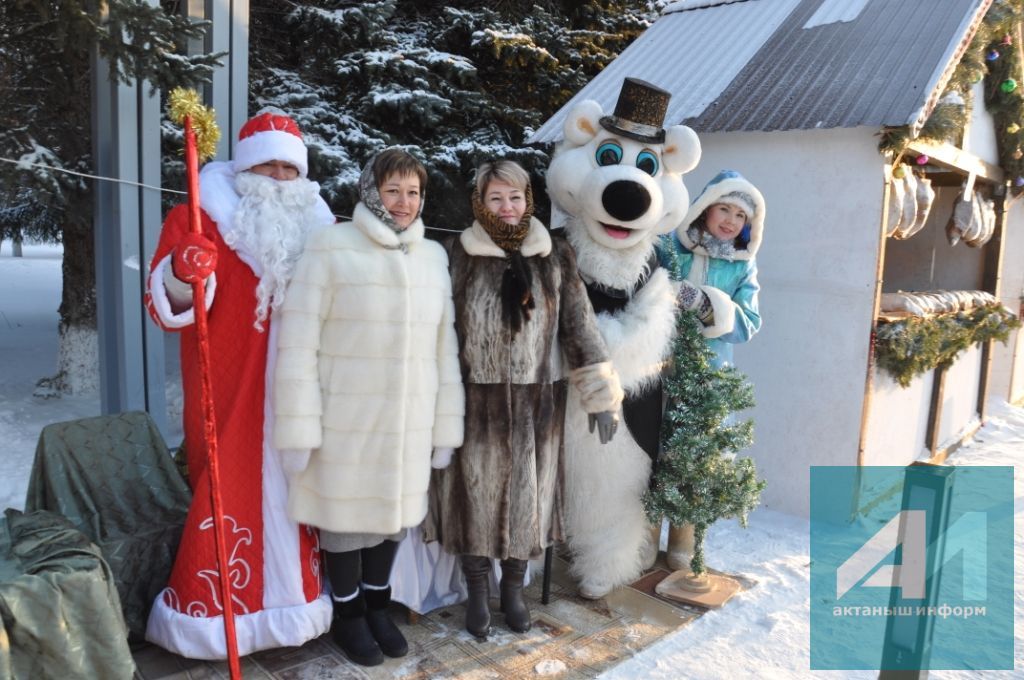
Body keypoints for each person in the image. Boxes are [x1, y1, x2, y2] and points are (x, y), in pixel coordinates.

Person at [144, 110, 337, 659]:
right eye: (268, 165)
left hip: (303, 388)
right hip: (234, 391)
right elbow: (167, 306)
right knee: (230, 489)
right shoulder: (199, 216)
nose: (279, 177)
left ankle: (296, 606)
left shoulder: (320, 225)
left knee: (297, 492)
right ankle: (216, 616)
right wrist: (183, 274)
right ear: (245, 168)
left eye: (288, 168)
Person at [272, 148, 464, 667]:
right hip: (346, 419)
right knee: (345, 525)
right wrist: (299, 425)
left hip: (409, 420)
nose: (404, 202)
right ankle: (349, 617)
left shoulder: (432, 257)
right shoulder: (332, 247)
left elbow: (444, 347)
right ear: (370, 190)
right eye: (393, 190)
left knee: (390, 521)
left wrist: (445, 426)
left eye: (414, 192)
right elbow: (299, 341)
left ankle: (379, 608)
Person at [424, 160, 623, 639]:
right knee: (472, 502)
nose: (507, 207)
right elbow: (434, 331)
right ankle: (477, 595)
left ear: (528, 200)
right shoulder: (455, 255)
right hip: (474, 408)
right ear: (480, 203)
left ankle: (512, 592)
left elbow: (579, 327)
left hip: (537, 409)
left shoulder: (554, 256)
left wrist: (602, 396)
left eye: (514, 197)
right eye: (495, 198)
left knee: (525, 506)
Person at [656, 168, 765, 569]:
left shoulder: (742, 266)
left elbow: (749, 324)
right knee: (651, 451)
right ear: (705, 208)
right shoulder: (672, 246)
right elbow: (647, 285)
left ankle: (681, 544)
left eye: (741, 216)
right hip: (660, 368)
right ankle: (642, 539)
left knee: (692, 460)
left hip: (708, 377)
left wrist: (706, 304)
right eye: (725, 208)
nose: (731, 221)